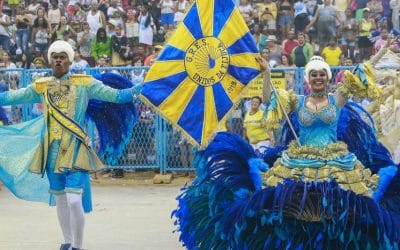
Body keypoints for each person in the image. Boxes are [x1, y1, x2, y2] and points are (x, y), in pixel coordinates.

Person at [172, 40, 400, 248]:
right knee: (286, 207)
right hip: (298, 160)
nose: (318, 78)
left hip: (337, 162)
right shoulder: (296, 101)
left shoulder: (337, 98)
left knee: (345, 208)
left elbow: (363, 70)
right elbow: (268, 96)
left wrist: (381, 51)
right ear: (308, 79)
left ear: (328, 78)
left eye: (322, 74)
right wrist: (267, 74)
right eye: (314, 75)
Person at [0, 40, 137, 250]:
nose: (58, 60)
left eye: (62, 57)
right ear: (50, 60)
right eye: (54, 57)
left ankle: (78, 246)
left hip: (76, 150)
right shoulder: (42, 85)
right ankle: (67, 242)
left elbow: (117, 96)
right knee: (61, 200)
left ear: (70, 60)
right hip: (51, 152)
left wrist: (145, 88)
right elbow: (14, 96)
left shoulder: (84, 83)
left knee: (74, 200)